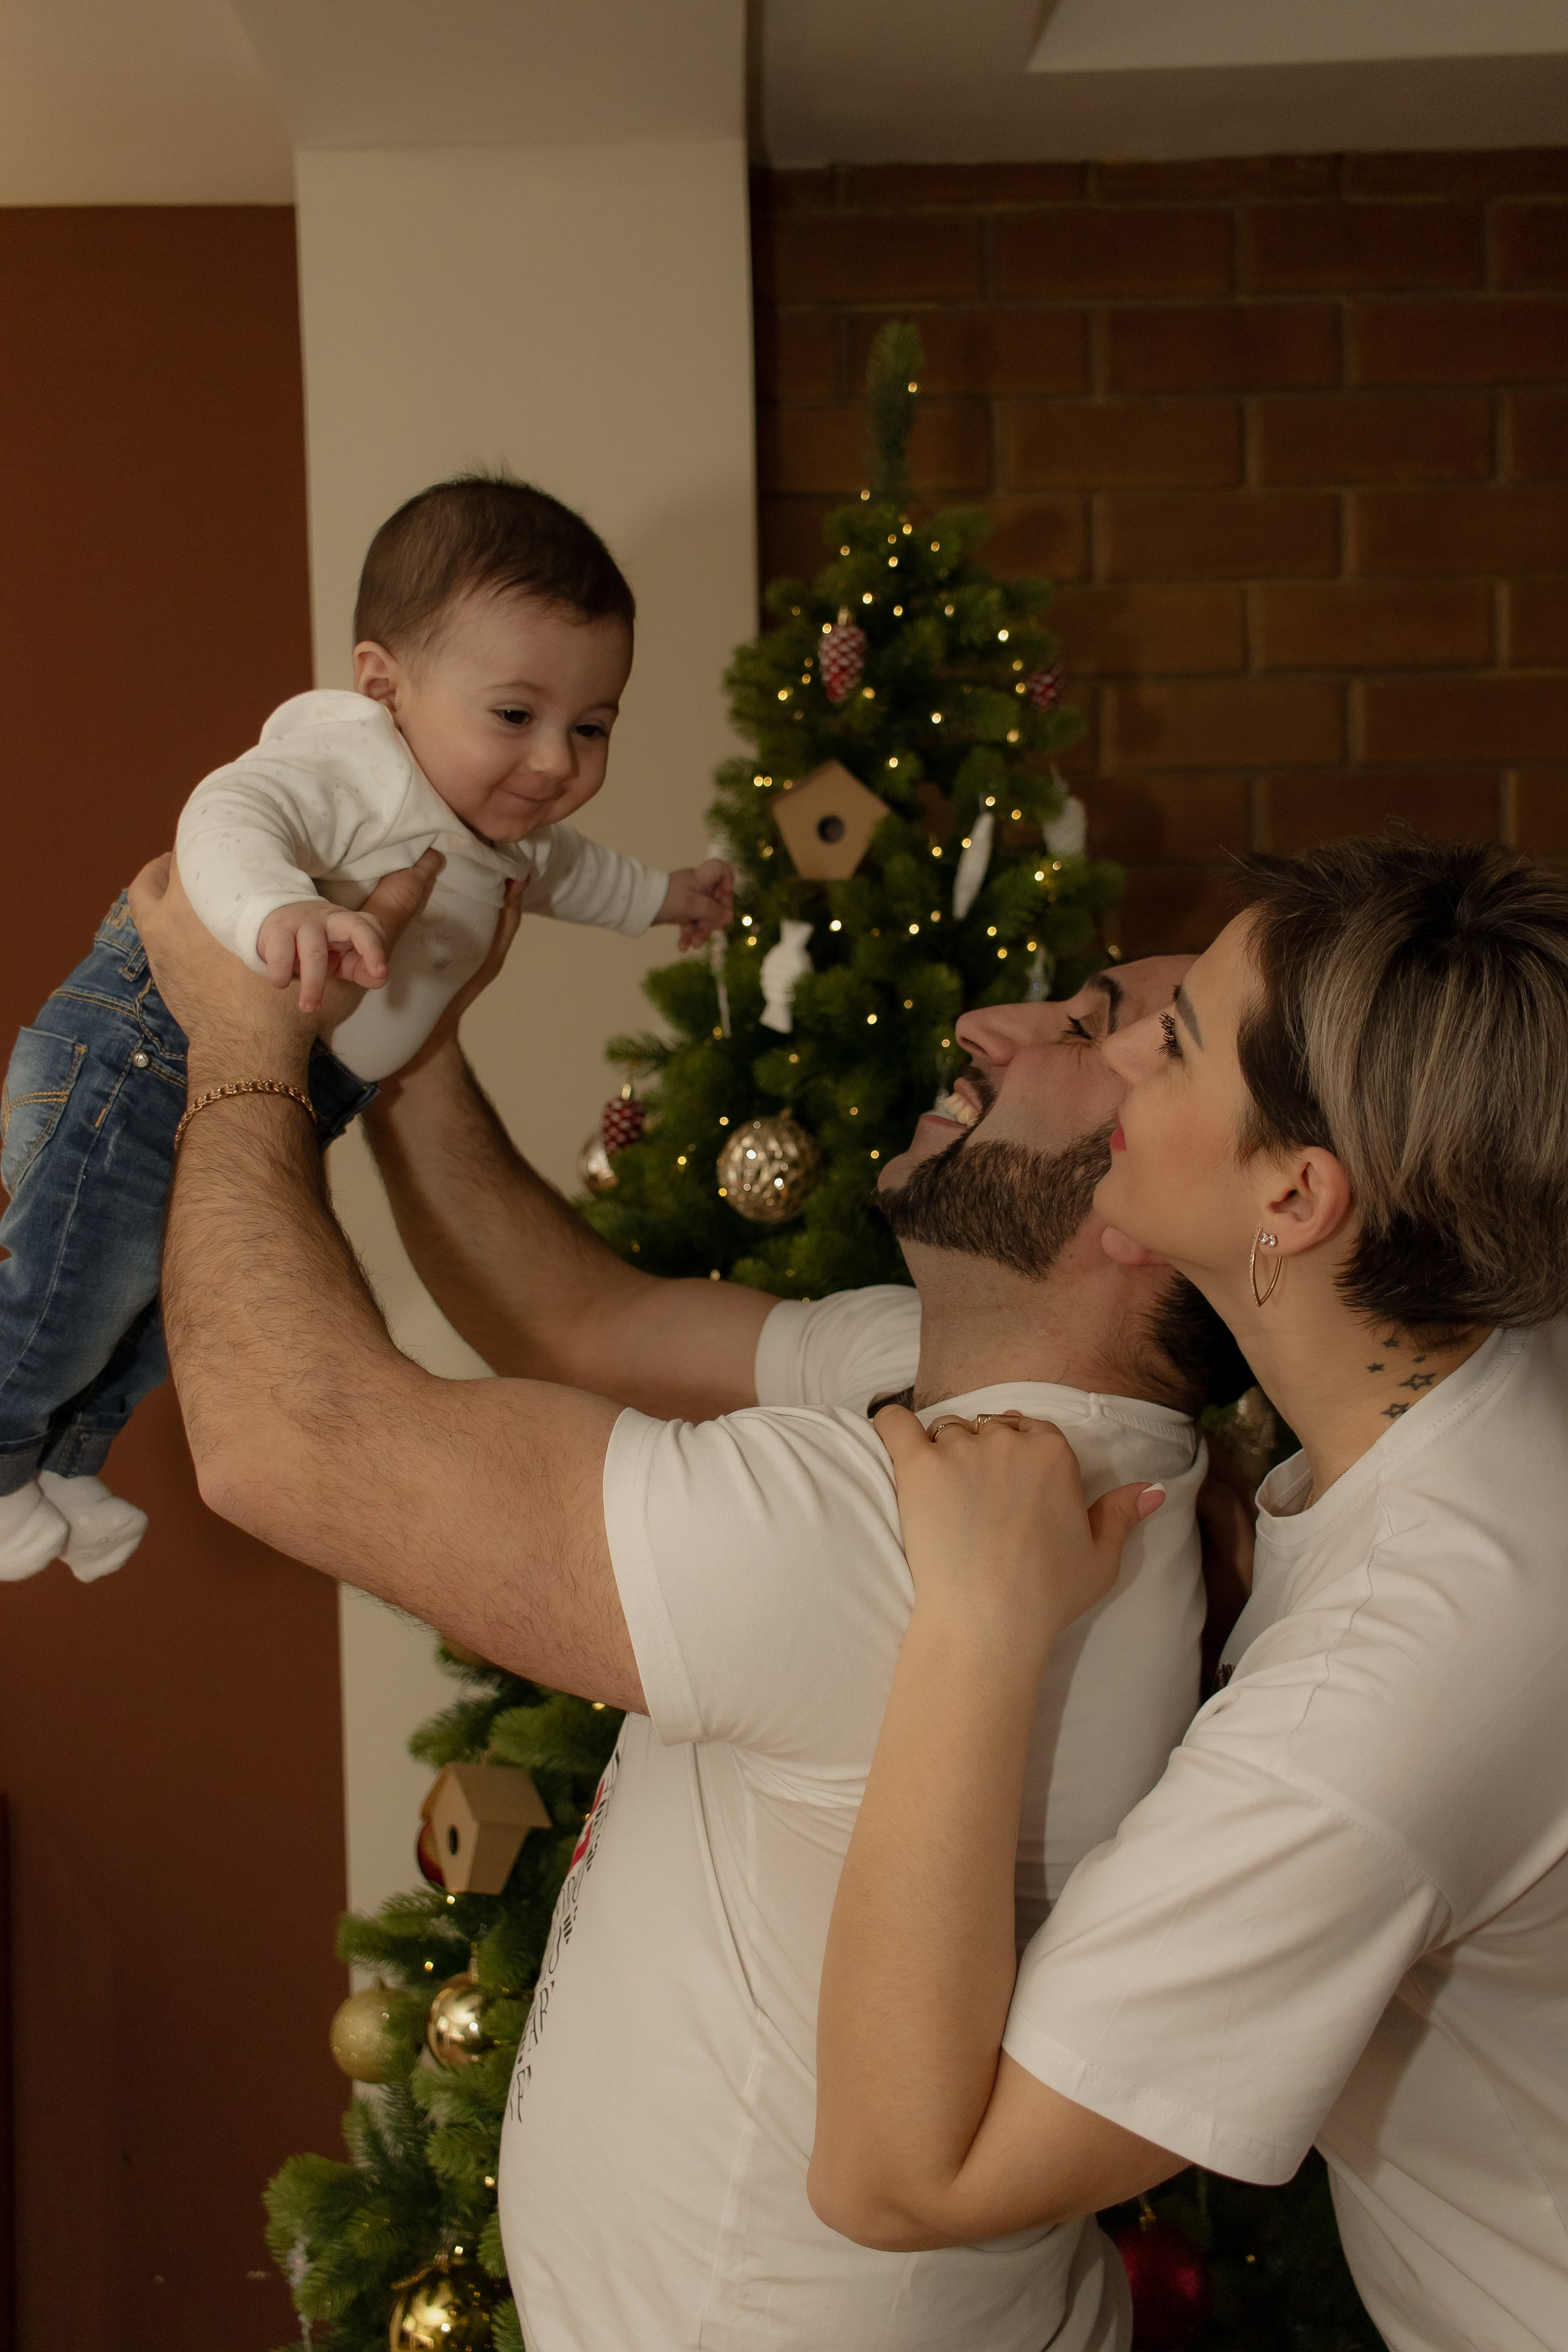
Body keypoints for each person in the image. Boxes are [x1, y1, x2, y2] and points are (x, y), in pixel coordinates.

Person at [128, 839, 1246, 2352]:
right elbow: (574, 1318)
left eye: (1099, 1027)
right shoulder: (947, 1393)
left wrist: (239, 1052)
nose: (993, 1022)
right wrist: (416, 1047)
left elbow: (280, 1440)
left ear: (1162, 1199)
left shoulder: (902, 1528)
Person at [810, 835, 1568, 2352]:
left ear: (1292, 1196)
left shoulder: (1385, 1687)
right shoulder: (1499, 1345)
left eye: (1175, 1043)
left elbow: (908, 2175)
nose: (1118, 1059)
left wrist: (975, 1622)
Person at [0, 473, 731, 1583]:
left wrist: (667, 896)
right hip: (151, 1050)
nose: (553, 763)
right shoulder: (357, 762)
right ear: (385, 687)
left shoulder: (501, 821)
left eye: (591, 727)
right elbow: (231, 811)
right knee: (73, 1278)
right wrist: (273, 911)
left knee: (163, 1302)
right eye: (515, 716)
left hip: (296, 1091)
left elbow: (578, 872)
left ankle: (65, 1459)